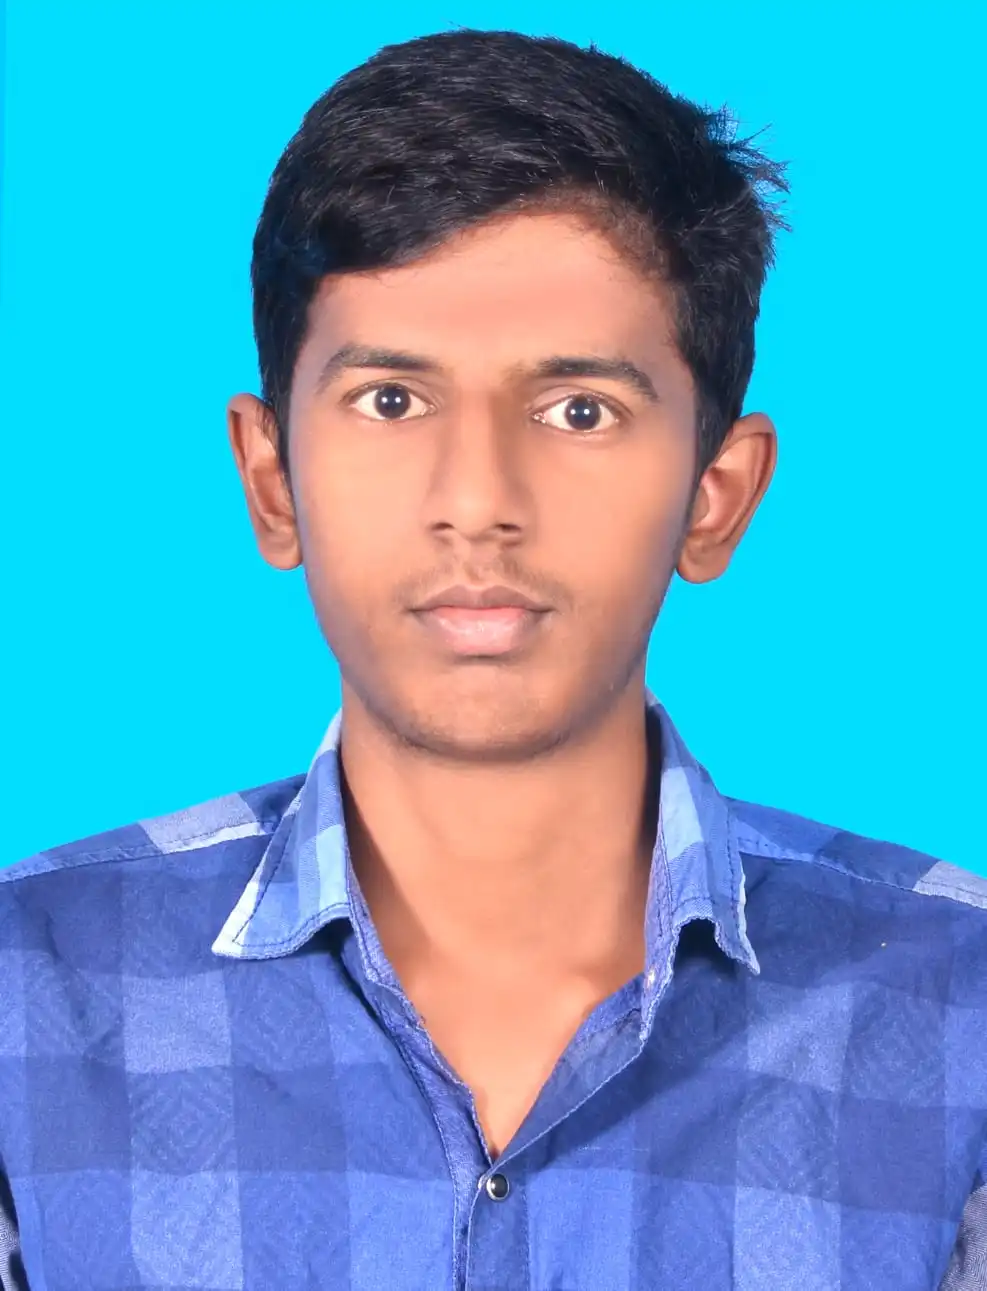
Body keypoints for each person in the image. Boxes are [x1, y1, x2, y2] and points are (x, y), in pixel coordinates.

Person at [1, 27, 983, 1291]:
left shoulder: (962, 1011)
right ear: (271, 479)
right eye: (392, 400)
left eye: (579, 410)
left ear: (717, 497)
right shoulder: (28, 998)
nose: (477, 501)